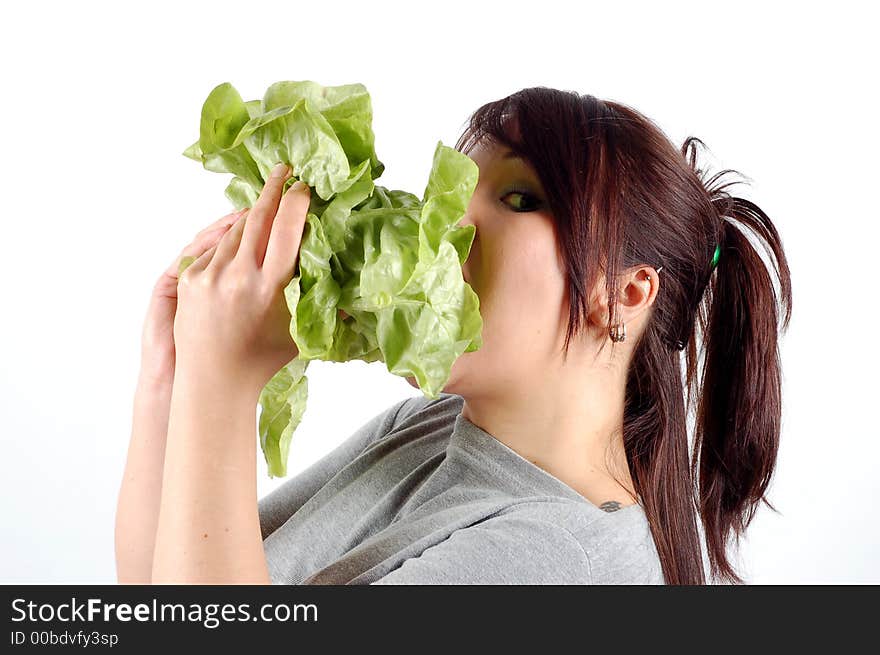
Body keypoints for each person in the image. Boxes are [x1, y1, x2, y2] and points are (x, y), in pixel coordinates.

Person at [115, 87, 792, 585]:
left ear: (622, 294)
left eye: (518, 197)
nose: (443, 224)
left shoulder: (560, 561)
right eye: (456, 185)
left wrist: (224, 387)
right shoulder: (428, 426)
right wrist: (172, 381)